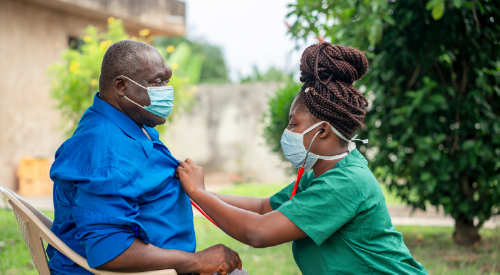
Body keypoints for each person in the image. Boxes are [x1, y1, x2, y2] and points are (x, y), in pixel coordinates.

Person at [176, 42, 428, 275]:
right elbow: (265, 208)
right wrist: (197, 191)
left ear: (323, 130)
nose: (287, 133)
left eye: (293, 124)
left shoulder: (345, 183)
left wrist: (199, 194)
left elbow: (258, 232)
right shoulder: (321, 174)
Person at [48, 40, 245, 275]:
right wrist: (197, 260)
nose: (166, 91)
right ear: (121, 86)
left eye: (167, 81)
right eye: (157, 82)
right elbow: (109, 251)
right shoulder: (105, 152)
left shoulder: (129, 125)